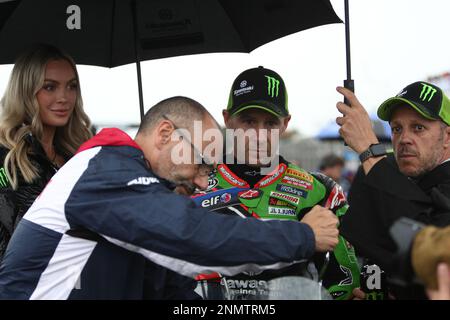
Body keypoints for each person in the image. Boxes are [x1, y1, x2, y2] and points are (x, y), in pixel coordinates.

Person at [0, 96, 339, 299]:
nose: (203, 180)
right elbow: (193, 235)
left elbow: (170, 285)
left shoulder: (119, 176)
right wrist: (303, 235)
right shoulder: (105, 170)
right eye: (201, 159)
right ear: (166, 134)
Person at [192, 67, 360, 300]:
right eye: (249, 121)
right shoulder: (192, 185)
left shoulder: (320, 190)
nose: (259, 135)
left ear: (285, 124)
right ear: (227, 119)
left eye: (270, 123)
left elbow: (345, 281)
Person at [336, 81, 450, 298]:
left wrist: (370, 150)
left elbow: (426, 248)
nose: (404, 139)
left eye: (418, 127)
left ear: (447, 137)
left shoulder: (381, 170)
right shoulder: (388, 175)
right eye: (397, 128)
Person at [0, 44, 92, 259]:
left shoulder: (81, 155)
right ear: (25, 92)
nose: (64, 97)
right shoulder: (6, 158)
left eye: (72, 86)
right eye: (50, 87)